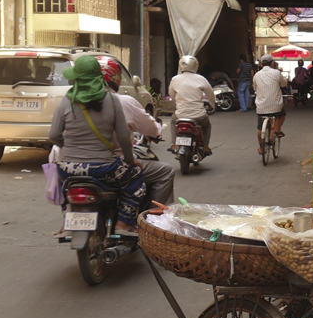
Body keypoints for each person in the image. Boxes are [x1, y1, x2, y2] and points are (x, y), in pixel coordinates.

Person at [48, 55, 146, 235]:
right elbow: (124, 137)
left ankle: (67, 218)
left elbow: (53, 135)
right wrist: (131, 160)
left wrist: (68, 146)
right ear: (99, 78)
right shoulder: (113, 100)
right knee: (136, 178)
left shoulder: (66, 101)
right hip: (104, 168)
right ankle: (123, 223)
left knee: (63, 184)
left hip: (67, 168)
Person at [97, 56, 174, 208]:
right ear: (116, 78)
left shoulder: (74, 102)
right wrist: (130, 158)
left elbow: (56, 136)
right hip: (111, 164)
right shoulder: (122, 101)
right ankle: (152, 221)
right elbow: (127, 138)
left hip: (74, 164)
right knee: (165, 171)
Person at [168, 55, 215, 154]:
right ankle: (206, 147)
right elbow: (210, 94)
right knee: (207, 126)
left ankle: (174, 144)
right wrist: (212, 104)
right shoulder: (201, 79)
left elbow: (172, 95)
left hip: (180, 115)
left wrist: (176, 103)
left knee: (173, 122)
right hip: (199, 116)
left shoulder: (175, 79)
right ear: (195, 65)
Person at [252, 54, 288, 153]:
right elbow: (284, 84)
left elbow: (254, 88)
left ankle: (261, 147)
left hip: (261, 107)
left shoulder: (256, 75)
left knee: (260, 127)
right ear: (272, 63)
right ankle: (277, 128)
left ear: (261, 64)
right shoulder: (277, 73)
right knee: (282, 114)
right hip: (276, 106)